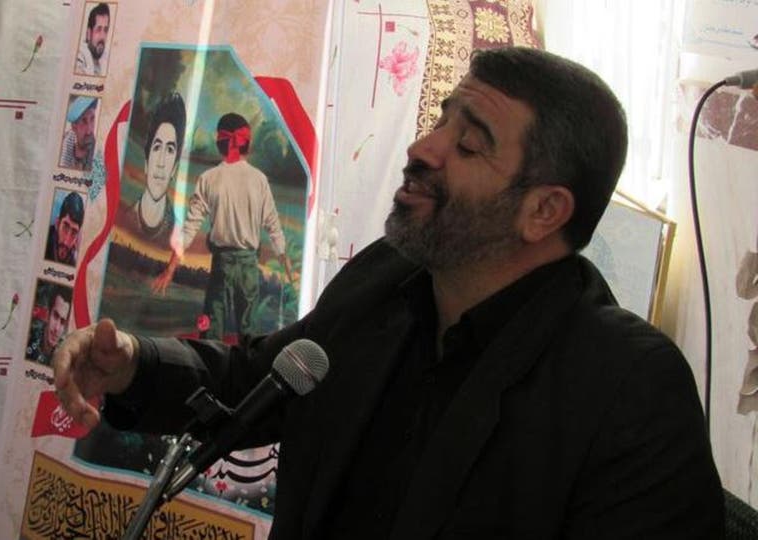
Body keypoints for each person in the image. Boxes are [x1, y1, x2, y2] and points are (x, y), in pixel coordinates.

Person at [54, 47, 724, 538]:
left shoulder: (629, 392)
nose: (423, 148)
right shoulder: (387, 281)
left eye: (468, 144)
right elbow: (262, 381)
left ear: (544, 211)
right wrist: (133, 364)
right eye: (440, 121)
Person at [151, 112, 294, 339]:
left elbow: (189, 228)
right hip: (249, 267)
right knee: (250, 334)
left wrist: (170, 270)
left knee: (211, 328)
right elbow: (273, 226)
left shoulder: (209, 178)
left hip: (222, 266)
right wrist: (286, 264)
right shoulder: (259, 180)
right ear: (246, 142)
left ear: (221, 141)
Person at [129, 92, 186, 243]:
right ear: (146, 162)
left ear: (174, 168)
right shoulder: (126, 218)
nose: (161, 162)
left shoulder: (177, 234)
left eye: (170, 150)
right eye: (157, 147)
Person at [26, 285, 72, 366]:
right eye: (55, 316)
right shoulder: (28, 339)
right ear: (48, 314)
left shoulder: (64, 355)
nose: (56, 328)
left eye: (62, 322)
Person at [45, 191, 84, 266]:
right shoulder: (43, 242)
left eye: (74, 233)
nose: (66, 242)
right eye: (65, 228)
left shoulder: (74, 260)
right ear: (57, 224)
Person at [60, 96, 97, 171]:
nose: (89, 130)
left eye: (92, 118)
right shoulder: (66, 141)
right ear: (74, 127)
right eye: (84, 121)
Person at [74, 3, 109, 76]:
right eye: (98, 30)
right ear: (89, 33)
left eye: (105, 30)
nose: (102, 36)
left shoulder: (106, 58)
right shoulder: (80, 55)